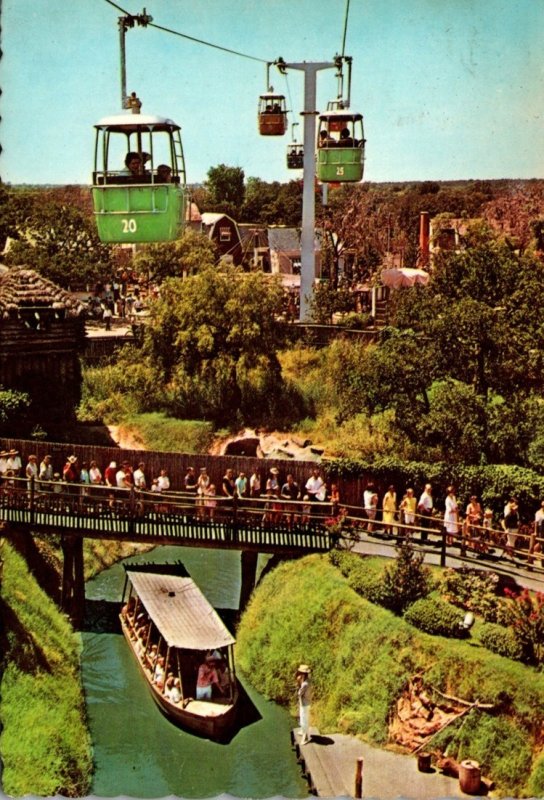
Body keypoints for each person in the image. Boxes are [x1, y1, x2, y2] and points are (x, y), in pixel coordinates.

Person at [296, 664, 311, 745]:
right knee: (303, 717)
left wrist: (299, 682)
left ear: (303, 674)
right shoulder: (309, 680)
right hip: (307, 702)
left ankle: (305, 737)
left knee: (304, 719)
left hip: (304, 703)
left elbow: (299, 693)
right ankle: (302, 731)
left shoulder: (305, 684)